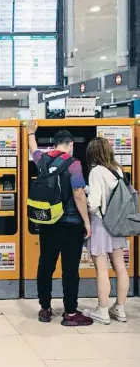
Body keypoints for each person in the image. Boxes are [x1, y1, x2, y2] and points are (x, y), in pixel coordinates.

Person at [27, 121, 93, 326]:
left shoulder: (43, 160)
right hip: (70, 223)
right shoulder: (74, 163)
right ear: (71, 144)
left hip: (47, 222)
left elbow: (33, 149)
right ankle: (71, 314)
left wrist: (30, 132)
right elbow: (79, 194)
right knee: (70, 269)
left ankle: (45, 309)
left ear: (55, 144)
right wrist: (87, 222)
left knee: (46, 264)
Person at [82, 137, 129, 324]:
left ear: (92, 154)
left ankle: (102, 310)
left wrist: (84, 198)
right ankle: (120, 309)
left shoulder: (96, 171)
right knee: (120, 267)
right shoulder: (117, 169)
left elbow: (93, 204)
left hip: (101, 225)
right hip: (117, 224)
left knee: (102, 269)